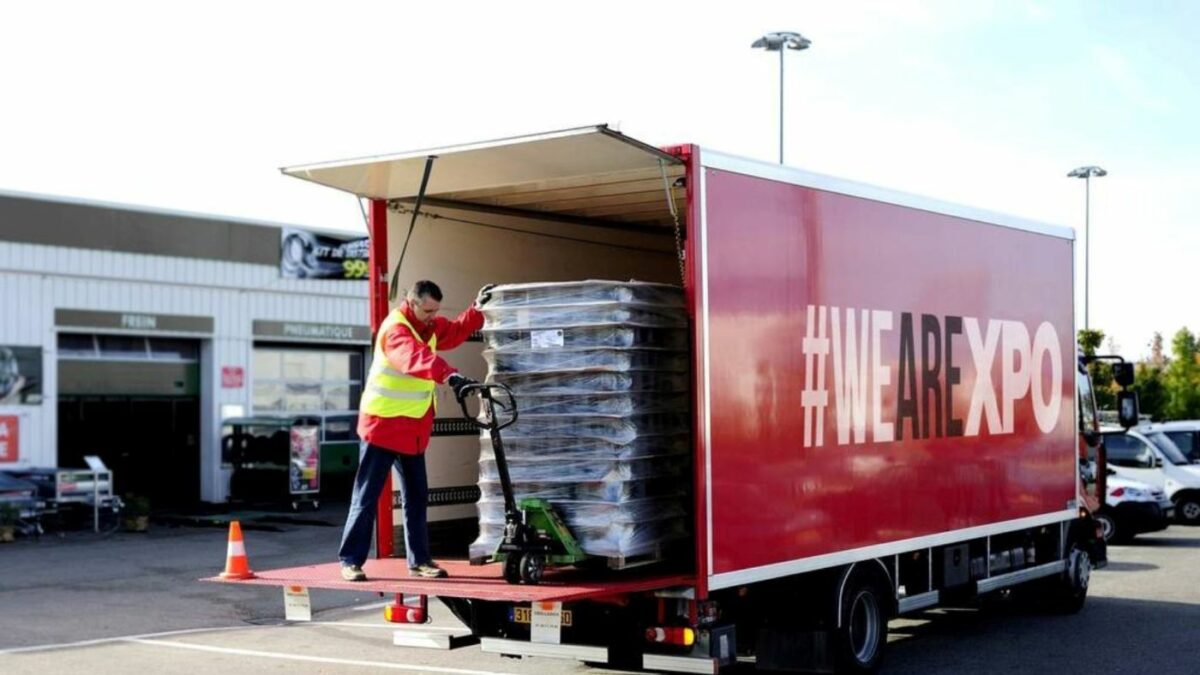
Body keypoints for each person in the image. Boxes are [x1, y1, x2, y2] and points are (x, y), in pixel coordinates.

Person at [339, 279, 492, 581]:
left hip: (410, 428)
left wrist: (477, 309)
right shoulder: (396, 330)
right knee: (367, 496)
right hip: (382, 426)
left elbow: (455, 331)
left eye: (436, 310)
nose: (433, 316)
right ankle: (350, 561)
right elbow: (415, 358)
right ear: (411, 303)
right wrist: (449, 376)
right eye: (427, 310)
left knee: (417, 496)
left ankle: (420, 561)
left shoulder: (428, 326)